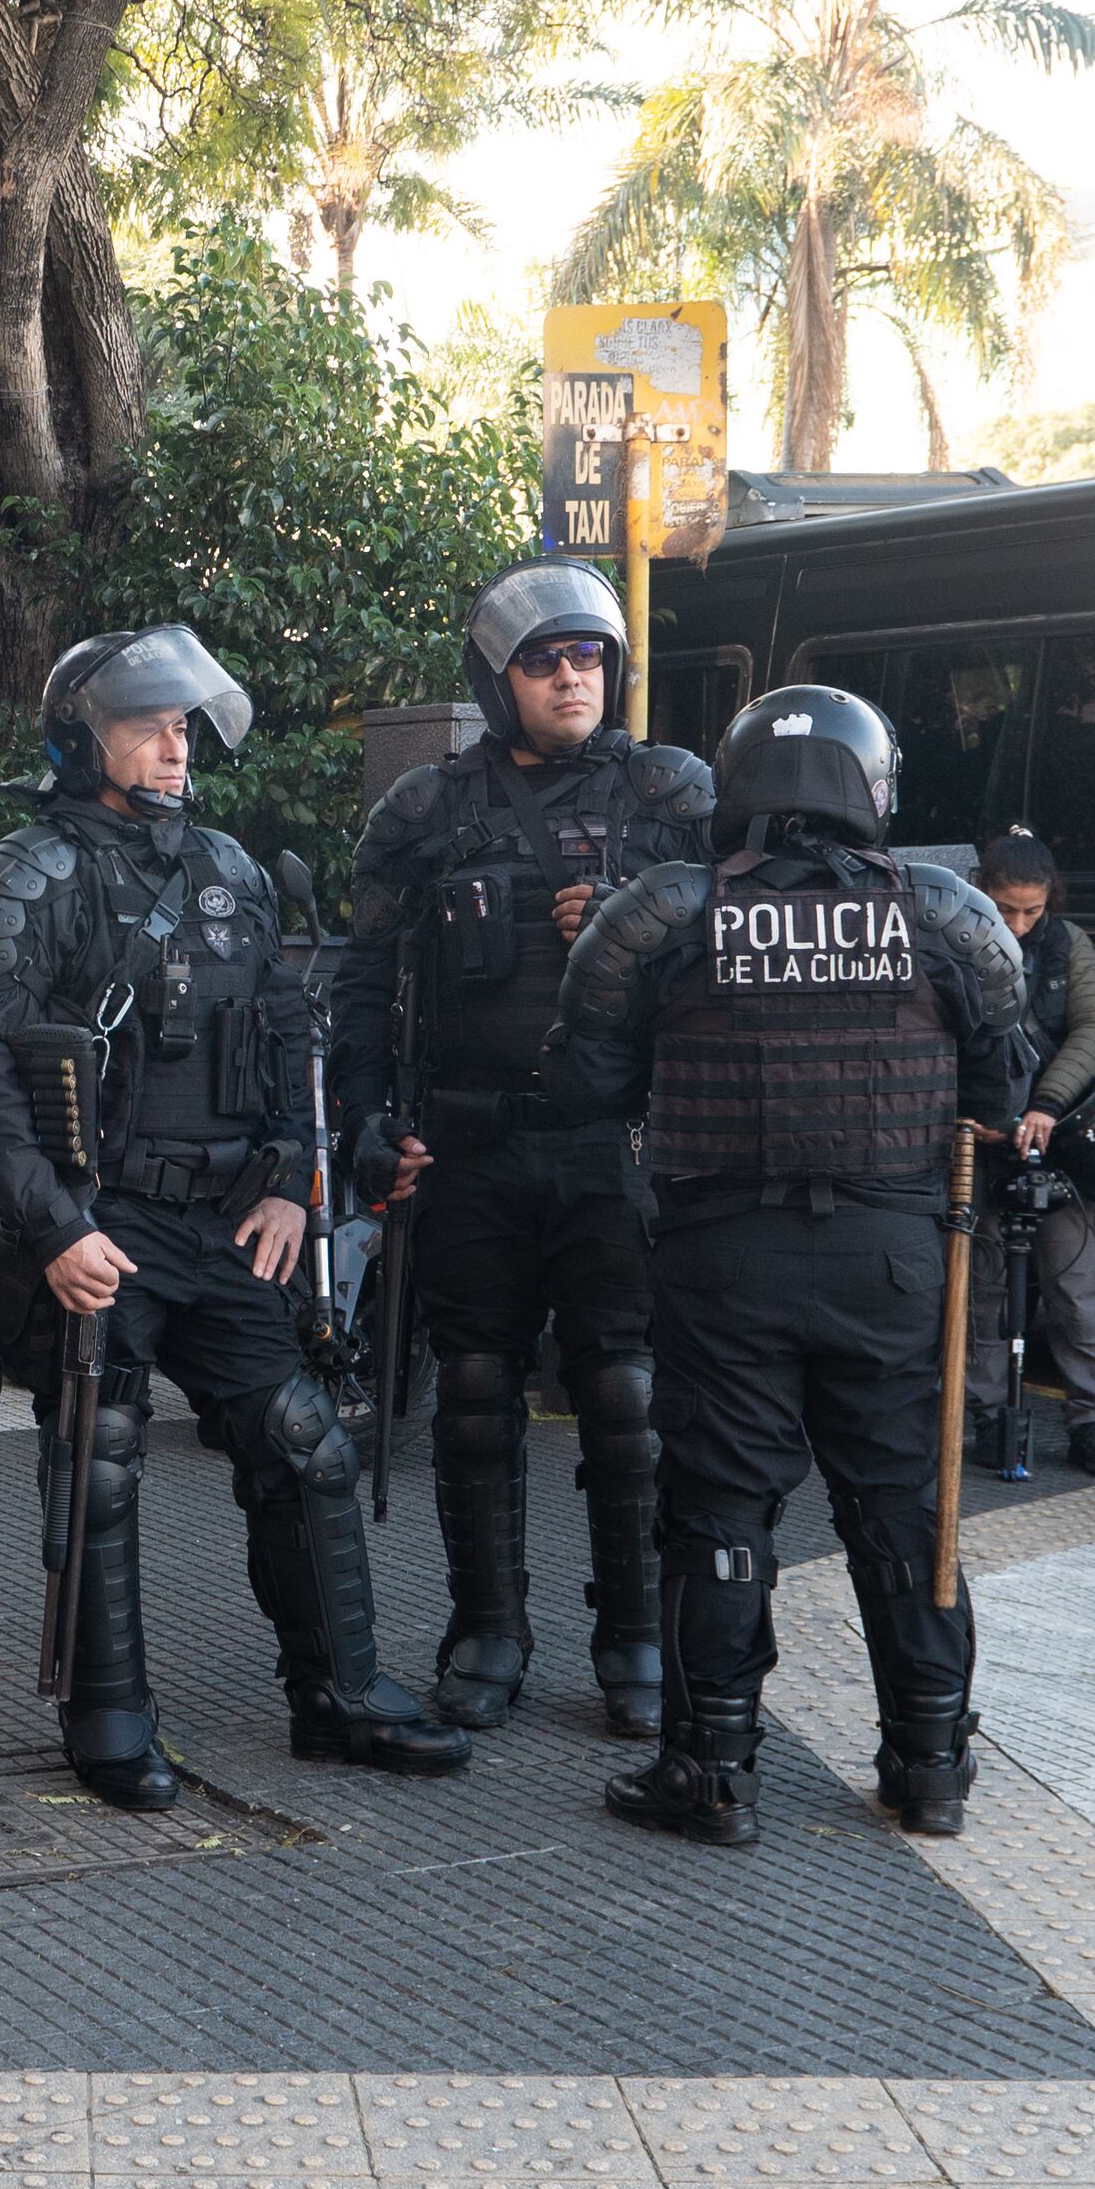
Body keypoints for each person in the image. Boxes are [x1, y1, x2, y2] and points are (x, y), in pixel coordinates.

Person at [0, 631, 472, 1807]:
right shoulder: (27, 876)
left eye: (185, 723)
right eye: (149, 723)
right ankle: (109, 1715)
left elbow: (293, 1039)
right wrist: (51, 1232)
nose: (177, 743)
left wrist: (291, 1181)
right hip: (102, 1223)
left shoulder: (230, 868)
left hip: (227, 1225)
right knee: (102, 1460)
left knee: (305, 1444)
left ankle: (338, 1694)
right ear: (83, 739)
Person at [531, 684, 1034, 1849]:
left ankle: (711, 1771)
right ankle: (929, 1767)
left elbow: (581, 1091)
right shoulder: (946, 914)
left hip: (725, 1262)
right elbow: (1001, 1091)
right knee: (903, 1511)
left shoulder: (661, 913)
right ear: (872, 787)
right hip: (895, 1259)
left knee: (719, 1506)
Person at [337, 564, 713, 1734]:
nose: (570, 677)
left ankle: (636, 1639)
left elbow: (731, 963)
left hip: (612, 1147)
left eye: (587, 656)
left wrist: (636, 923)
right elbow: (358, 988)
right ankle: (486, 1628)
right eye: (545, 660)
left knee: (625, 1394)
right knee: (472, 1390)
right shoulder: (424, 811)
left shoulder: (673, 799)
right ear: (497, 680)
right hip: (466, 1147)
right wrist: (362, 1131)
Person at [968, 829, 1095, 1480]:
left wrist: (1047, 1104)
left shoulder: (1068, 944)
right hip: (983, 1138)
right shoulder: (960, 940)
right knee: (982, 1288)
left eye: (1031, 911)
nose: (1018, 923)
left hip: (1055, 1137)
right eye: (1006, 908)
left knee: (1075, 1288)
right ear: (982, 891)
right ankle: (983, 1413)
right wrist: (975, 1115)